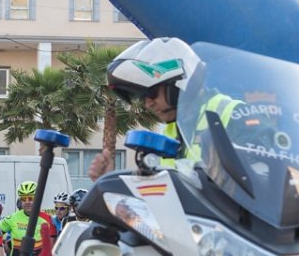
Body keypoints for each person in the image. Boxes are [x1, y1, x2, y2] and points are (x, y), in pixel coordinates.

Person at [89, 37, 238, 180]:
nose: (148, 104)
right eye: (142, 97)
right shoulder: (171, 132)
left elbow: (254, 186)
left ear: (179, 83)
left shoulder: (234, 114)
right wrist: (108, 179)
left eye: (151, 92)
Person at [0, 181, 52, 256]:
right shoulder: (12, 218)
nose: (27, 202)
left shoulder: (47, 219)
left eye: (30, 198)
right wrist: (5, 242)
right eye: (23, 199)